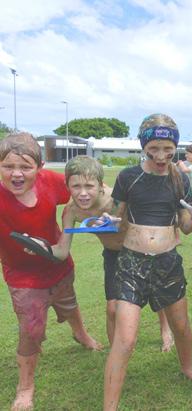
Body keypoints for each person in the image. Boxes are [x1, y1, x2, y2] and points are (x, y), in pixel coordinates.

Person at [103, 114, 192, 411]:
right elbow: (115, 215)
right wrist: (105, 220)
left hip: (167, 263)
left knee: (181, 327)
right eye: (154, 149)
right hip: (131, 264)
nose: (161, 156)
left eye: (168, 149)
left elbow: (185, 226)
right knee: (126, 340)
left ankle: (187, 367)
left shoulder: (180, 179)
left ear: (175, 147)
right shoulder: (128, 177)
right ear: (143, 146)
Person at [27, 155, 175, 351]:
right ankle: (115, 354)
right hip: (113, 255)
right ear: (67, 186)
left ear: (101, 185)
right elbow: (62, 251)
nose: (83, 193)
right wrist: (40, 247)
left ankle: (165, 328)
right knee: (112, 309)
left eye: (89, 186)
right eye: (76, 186)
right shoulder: (72, 211)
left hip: (140, 250)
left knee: (157, 295)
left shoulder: (116, 199)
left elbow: (149, 219)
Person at [0, 133, 102, 411]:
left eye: (25, 167)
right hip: (23, 276)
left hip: (59, 265)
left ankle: (80, 333)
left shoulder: (50, 182)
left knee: (68, 302)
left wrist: (98, 211)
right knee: (31, 328)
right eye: (8, 167)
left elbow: (87, 192)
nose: (16, 174)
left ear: (40, 167)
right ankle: (25, 387)